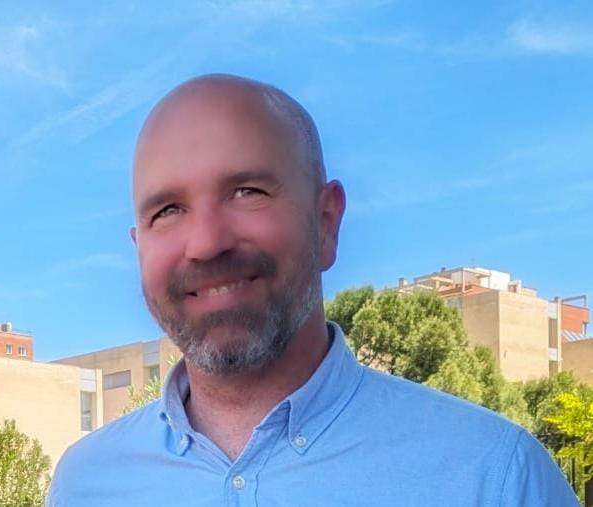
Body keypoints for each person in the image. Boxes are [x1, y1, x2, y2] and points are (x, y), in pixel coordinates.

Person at [47, 74, 578, 506]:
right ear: (138, 246)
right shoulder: (85, 484)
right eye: (167, 210)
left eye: (247, 191)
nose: (206, 243)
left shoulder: (495, 477)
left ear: (326, 222)